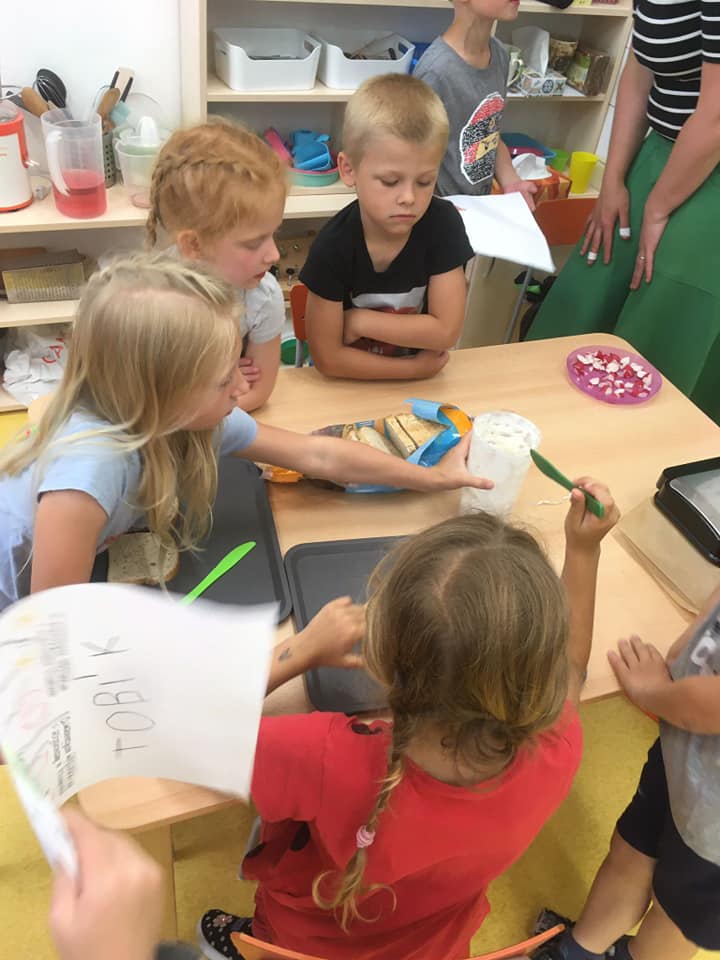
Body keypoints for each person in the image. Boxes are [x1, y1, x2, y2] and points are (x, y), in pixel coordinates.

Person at [199, 481, 620, 960]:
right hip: (433, 944)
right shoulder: (556, 744)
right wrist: (583, 551)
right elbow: (572, 668)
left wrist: (298, 651)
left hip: (306, 939)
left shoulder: (322, 755)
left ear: (383, 656)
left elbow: (194, 732)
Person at [0, 253, 492, 612]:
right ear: (161, 394)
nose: (242, 386)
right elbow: (53, 631)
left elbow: (319, 456)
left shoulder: (185, 418)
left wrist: (430, 477)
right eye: (222, 380)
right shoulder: (89, 474)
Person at [48, 602, 366, 960]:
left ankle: (255, 939)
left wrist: (300, 649)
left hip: (296, 938)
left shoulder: (328, 752)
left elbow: (181, 734)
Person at [526, 0, 720, 424]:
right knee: (584, 298)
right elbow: (640, 66)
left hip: (709, 172)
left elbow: (716, 114)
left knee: (662, 336)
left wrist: (658, 209)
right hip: (658, 153)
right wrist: (613, 179)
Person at [533, 587, 720, 960]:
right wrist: (687, 649)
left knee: (676, 915)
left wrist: (653, 693)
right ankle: (577, 952)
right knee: (632, 850)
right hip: (686, 750)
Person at [299, 74, 475, 380]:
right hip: (348, 388)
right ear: (348, 169)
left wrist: (359, 321)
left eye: (425, 182)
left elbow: (446, 331)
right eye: (390, 181)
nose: (409, 198)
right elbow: (328, 359)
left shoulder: (443, 224)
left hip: (417, 389)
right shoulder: (333, 246)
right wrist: (412, 370)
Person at [147, 119, 286, 412]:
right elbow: (147, 397)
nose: (274, 254)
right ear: (194, 245)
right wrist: (221, 381)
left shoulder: (263, 297)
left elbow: (257, 393)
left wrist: (215, 386)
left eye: (274, 233)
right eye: (253, 243)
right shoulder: (150, 298)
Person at [414, 0, 537, 207]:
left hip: (479, 205)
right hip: (442, 208)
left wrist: (511, 180)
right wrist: (437, 209)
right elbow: (413, 156)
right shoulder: (436, 72)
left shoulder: (499, 54)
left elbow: (490, 133)